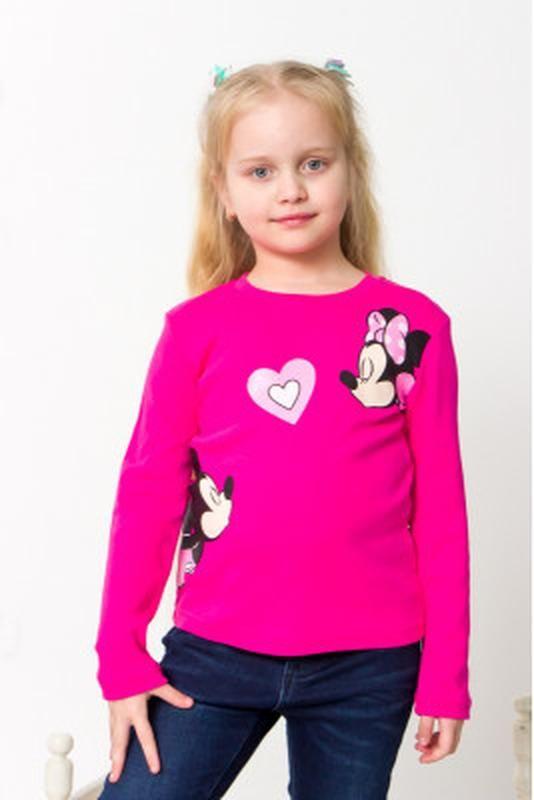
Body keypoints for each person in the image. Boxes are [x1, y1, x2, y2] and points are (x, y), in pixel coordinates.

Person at [94, 58, 472, 800]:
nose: (291, 189)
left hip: (370, 663)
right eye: (260, 171)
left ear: (351, 171)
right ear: (225, 192)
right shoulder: (196, 330)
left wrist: (445, 678)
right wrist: (122, 658)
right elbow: (147, 496)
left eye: (314, 164)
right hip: (213, 652)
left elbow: (441, 512)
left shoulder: (411, 327)